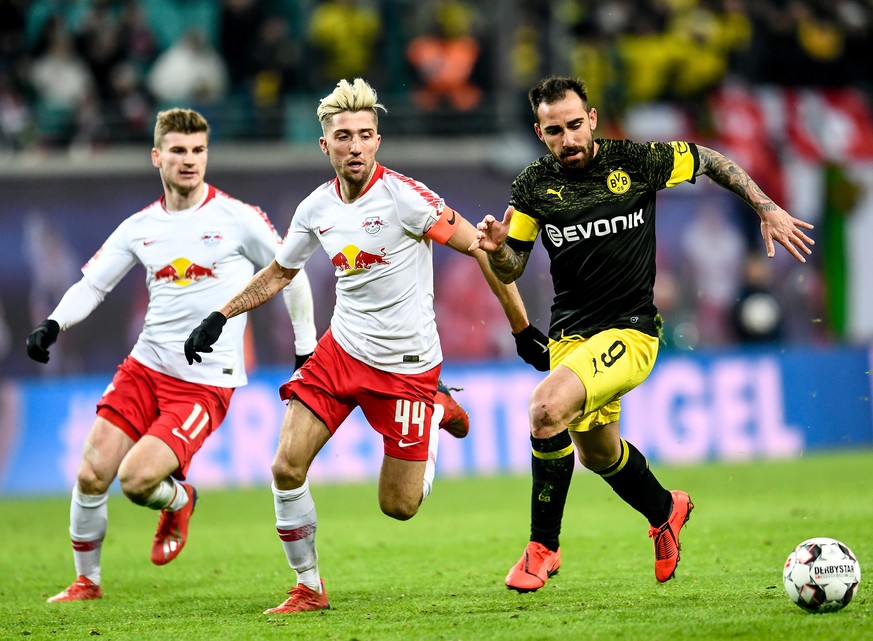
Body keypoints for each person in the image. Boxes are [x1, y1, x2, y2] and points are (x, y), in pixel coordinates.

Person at [184, 77, 533, 614]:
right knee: (285, 467)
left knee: (399, 506)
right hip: (341, 352)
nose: (354, 145)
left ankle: (435, 411)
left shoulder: (407, 200)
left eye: (365, 135)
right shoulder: (316, 209)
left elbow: (484, 250)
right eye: (343, 135)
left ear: (377, 141)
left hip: (407, 366)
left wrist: (520, 326)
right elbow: (280, 272)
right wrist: (219, 314)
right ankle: (308, 587)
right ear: (325, 145)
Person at [471, 76, 815, 592]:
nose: (566, 139)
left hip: (631, 331)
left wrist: (764, 205)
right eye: (553, 131)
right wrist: (499, 248)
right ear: (539, 133)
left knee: (545, 411)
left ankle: (543, 548)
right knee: (598, 454)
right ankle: (665, 509)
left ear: (590, 119)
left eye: (573, 125)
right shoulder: (532, 186)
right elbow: (512, 267)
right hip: (571, 336)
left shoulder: (635, 162)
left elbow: (709, 160)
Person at [26, 107, 318, 603]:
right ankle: (86, 582)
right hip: (145, 366)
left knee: (137, 480)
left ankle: (180, 498)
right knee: (91, 471)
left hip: (205, 382)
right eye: (179, 151)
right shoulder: (139, 226)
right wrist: (54, 323)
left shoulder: (238, 218)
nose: (190, 161)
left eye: (199, 151)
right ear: (157, 157)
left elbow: (291, 274)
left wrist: (304, 349)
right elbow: (92, 285)